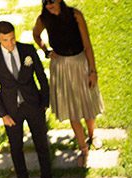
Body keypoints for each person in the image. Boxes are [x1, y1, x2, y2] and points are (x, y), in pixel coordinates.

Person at [0, 20, 59, 178]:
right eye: (5, 40)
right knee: (16, 147)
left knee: (42, 144)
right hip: (11, 110)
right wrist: (3, 114)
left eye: (12, 39)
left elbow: (41, 77)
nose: (10, 44)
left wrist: (44, 103)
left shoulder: (27, 50)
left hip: (33, 105)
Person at [33, 0, 103, 167]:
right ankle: (83, 148)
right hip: (61, 66)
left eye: (52, 1)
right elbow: (36, 35)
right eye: (46, 2)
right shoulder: (43, 19)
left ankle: (92, 135)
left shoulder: (75, 15)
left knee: (88, 106)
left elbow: (87, 45)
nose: (49, 4)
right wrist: (46, 51)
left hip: (80, 63)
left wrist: (93, 71)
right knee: (72, 110)